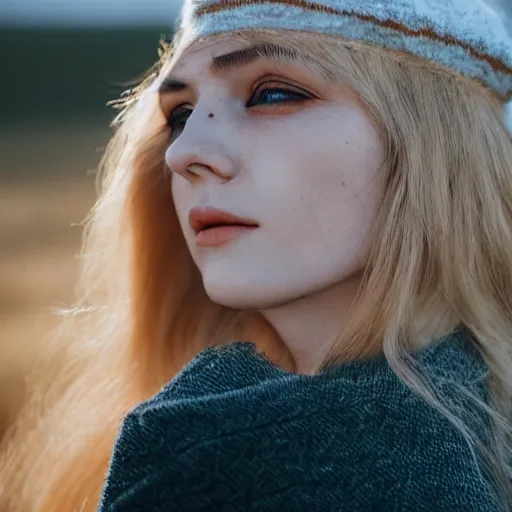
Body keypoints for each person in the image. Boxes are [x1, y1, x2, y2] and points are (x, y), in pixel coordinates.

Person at [1, 0, 512, 510]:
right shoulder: (476, 420)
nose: (183, 153)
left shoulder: (239, 458)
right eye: (180, 114)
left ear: (434, 142)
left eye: (271, 95)